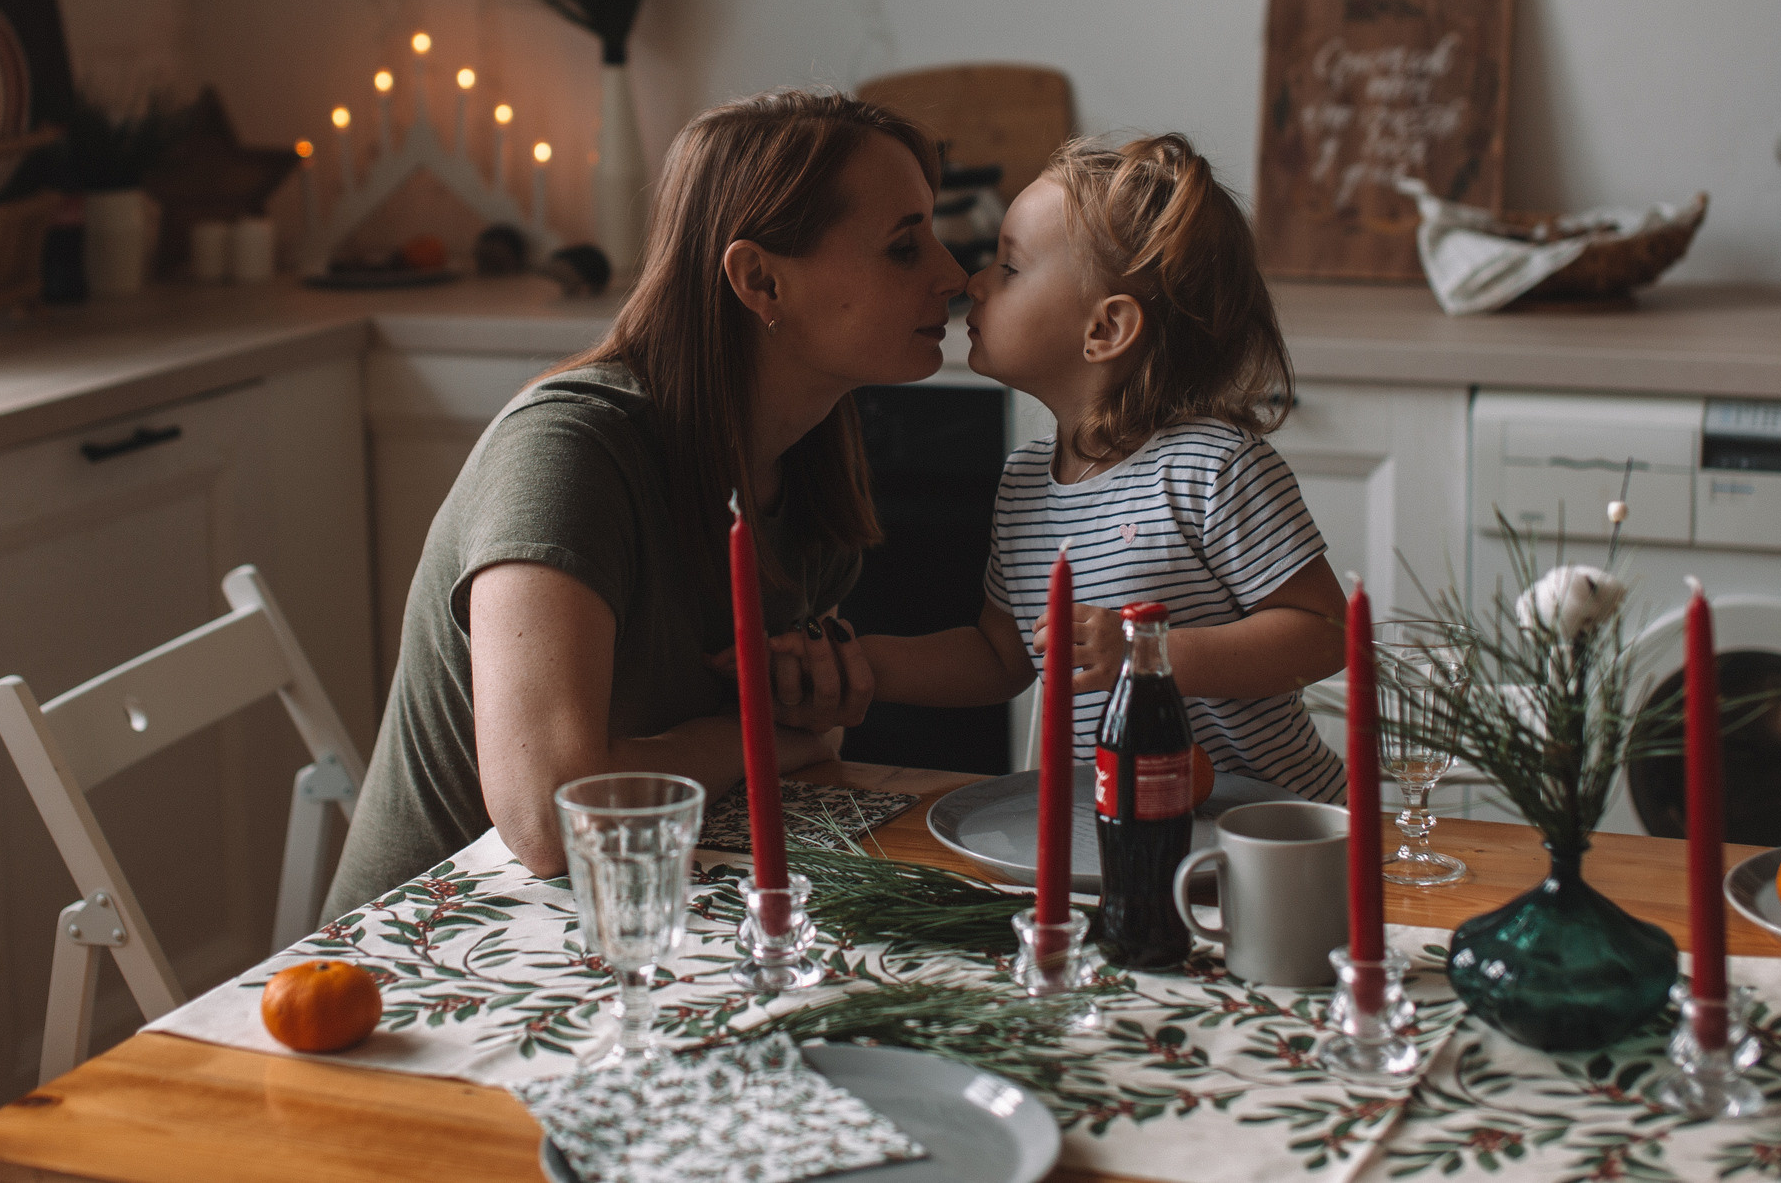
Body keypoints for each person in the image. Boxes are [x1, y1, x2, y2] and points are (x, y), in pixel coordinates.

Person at [325, 89, 968, 910]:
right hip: (427, 950)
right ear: (761, 281)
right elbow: (551, 817)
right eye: (904, 247)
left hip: (650, 908)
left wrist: (795, 721)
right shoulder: (566, 452)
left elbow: (813, 737)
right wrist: (763, 737)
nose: (954, 273)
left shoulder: (808, 459)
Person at [849, 132, 1349, 800]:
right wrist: (860, 663)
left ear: (1105, 330)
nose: (975, 281)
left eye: (1010, 267)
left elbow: (1325, 635)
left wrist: (1146, 650)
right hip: (1124, 826)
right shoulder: (1024, 483)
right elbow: (1000, 657)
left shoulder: (1211, 468)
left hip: (1273, 828)